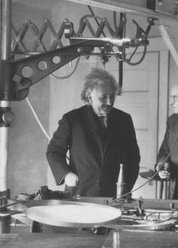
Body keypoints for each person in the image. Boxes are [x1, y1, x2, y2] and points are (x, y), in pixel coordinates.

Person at [46, 68, 140, 197]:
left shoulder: (124, 119)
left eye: (112, 96)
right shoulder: (72, 119)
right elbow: (54, 151)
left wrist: (125, 188)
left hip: (115, 195)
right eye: (103, 97)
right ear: (89, 96)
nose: (109, 102)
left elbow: (133, 159)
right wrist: (66, 174)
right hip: (81, 193)